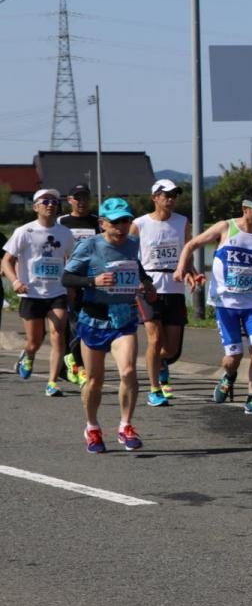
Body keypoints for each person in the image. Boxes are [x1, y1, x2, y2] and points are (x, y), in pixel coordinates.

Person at [62, 198, 156, 452]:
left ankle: (125, 426)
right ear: (102, 223)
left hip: (123, 318)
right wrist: (93, 281)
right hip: (93, 318)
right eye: (115, 222)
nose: (121, 226)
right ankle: (92, 428)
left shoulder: (133, 243)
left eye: (125, 220)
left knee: (127, 371)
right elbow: (67, 277)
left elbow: (136, 267)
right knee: (95, 380)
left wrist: (146, 284)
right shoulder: (89, 246)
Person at [175, 191, 252, 415]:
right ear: (245, 209)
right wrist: (183, 267)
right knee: (234, 357)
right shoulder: (225, 227)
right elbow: (192, 245)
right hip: (225, 303)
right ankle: (229, 376)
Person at [2, 188, 74, 396]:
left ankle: (52, 382)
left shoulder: (64, 232)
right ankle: (29, 355)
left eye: (53, 201)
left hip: (57, 292)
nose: (50, 204)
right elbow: (7, 260)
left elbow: (71, 259)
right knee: (35, 341)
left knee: (58, 332)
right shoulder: (24, 231)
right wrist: (15, 281)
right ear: (35, 207)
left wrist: (70, 284)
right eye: (45, 201)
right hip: (31, 293)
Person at [131, 179, 194, 407]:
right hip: (149, 286)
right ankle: (154, 388)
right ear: (154, 197)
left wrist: (190, 271)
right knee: (155, 340)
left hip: (174, 287)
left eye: (174, 195)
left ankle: (161, 364)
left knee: (171, 349)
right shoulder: (139, 224)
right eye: (166, 195)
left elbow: (187, 252)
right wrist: (138, 281)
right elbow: (130, 256)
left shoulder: (182, 222)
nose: (171, 199)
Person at [58, 184, 100, 387]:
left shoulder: (96, 221)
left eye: (85, 198)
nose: (81, 202)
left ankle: (77, 361)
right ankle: (75, 362)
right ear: (70, 200)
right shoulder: (62, 222)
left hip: (93, 279)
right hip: (70, 279)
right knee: (71, 323)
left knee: (88, 322)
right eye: (78, 198)